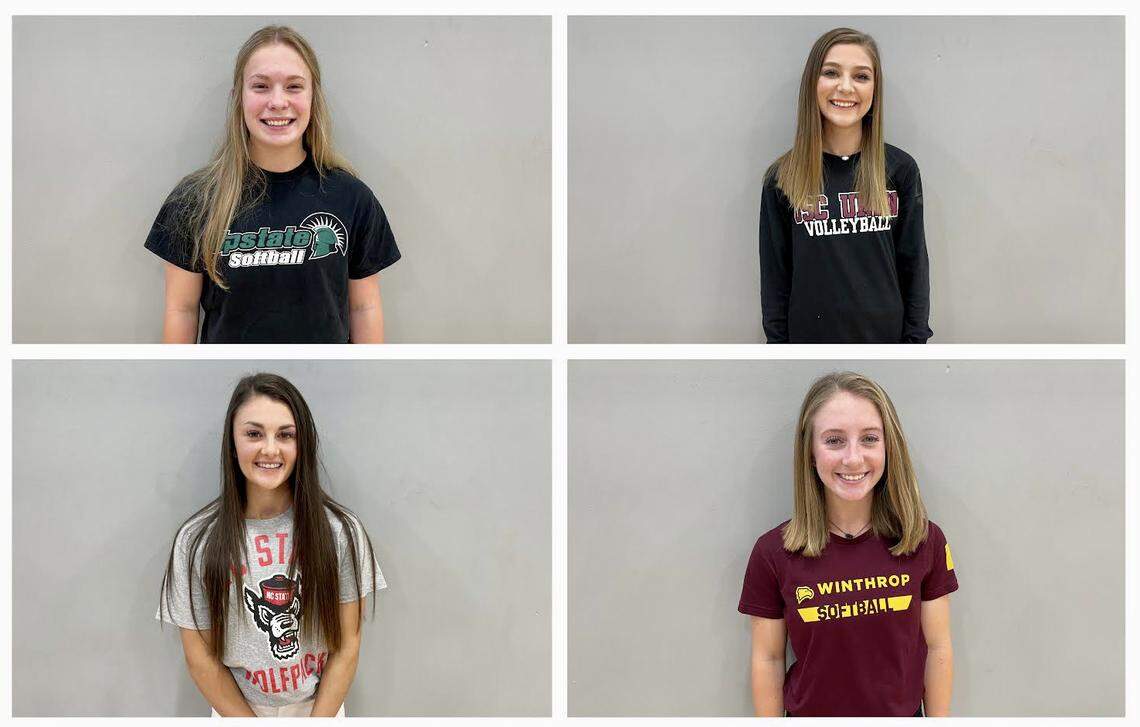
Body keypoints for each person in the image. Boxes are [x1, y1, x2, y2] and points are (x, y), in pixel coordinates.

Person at [145, 26, 401, 344]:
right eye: (261, 86)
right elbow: (181, 310)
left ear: (312, 97)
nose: (278, 102)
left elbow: (364, 307)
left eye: (294, 86)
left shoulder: (352, 198)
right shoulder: (194, 200)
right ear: (239, 97)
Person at [159, 373, 383, 717]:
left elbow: (347, 646)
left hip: (319, 709)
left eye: (286, 435)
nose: (269, 448)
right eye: (253, 433)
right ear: (232, 445)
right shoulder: (196, 541)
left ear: (302, 444)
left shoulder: (341, 532)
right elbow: (200, 658)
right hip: (236, 711)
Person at [738, 372, 956, 717]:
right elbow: (769, 658)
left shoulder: (924, 540)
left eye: (869, 439)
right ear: (810, 452)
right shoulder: (772, 554)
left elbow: (938, 647)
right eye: (834, 441)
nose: (853, 459)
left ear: (889, 447)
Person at [759, 28, 931, 344]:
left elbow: (914, 267)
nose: (846, 86)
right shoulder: (781, 178)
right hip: (807, 346)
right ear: (813, 82)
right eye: (831, 73)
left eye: (861, 76)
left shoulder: (900, 170)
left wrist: (914, 346)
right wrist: (779, 348)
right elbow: (775, 283)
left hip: (886, 344)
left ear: (875, 90)